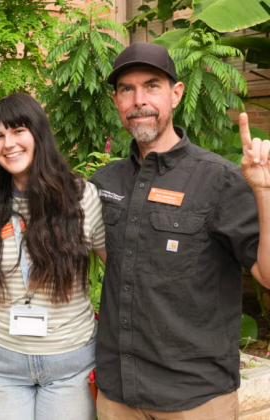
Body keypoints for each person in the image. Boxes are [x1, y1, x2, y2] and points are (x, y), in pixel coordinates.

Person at [90, 42, 270, 419]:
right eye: (127, 89)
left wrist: (263, 194)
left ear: (176, 93)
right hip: (118, 396)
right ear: (116, 100)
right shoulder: (105, 182)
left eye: (152, 85)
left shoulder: (219, 180)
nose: (139, 99)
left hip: (196, 398)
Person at [0, 93, 106, 420]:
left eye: (18, 131)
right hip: (1, 365)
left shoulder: (81, 197)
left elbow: (118, 271)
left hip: (70, 362)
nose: (8, 143)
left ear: (38, 134)